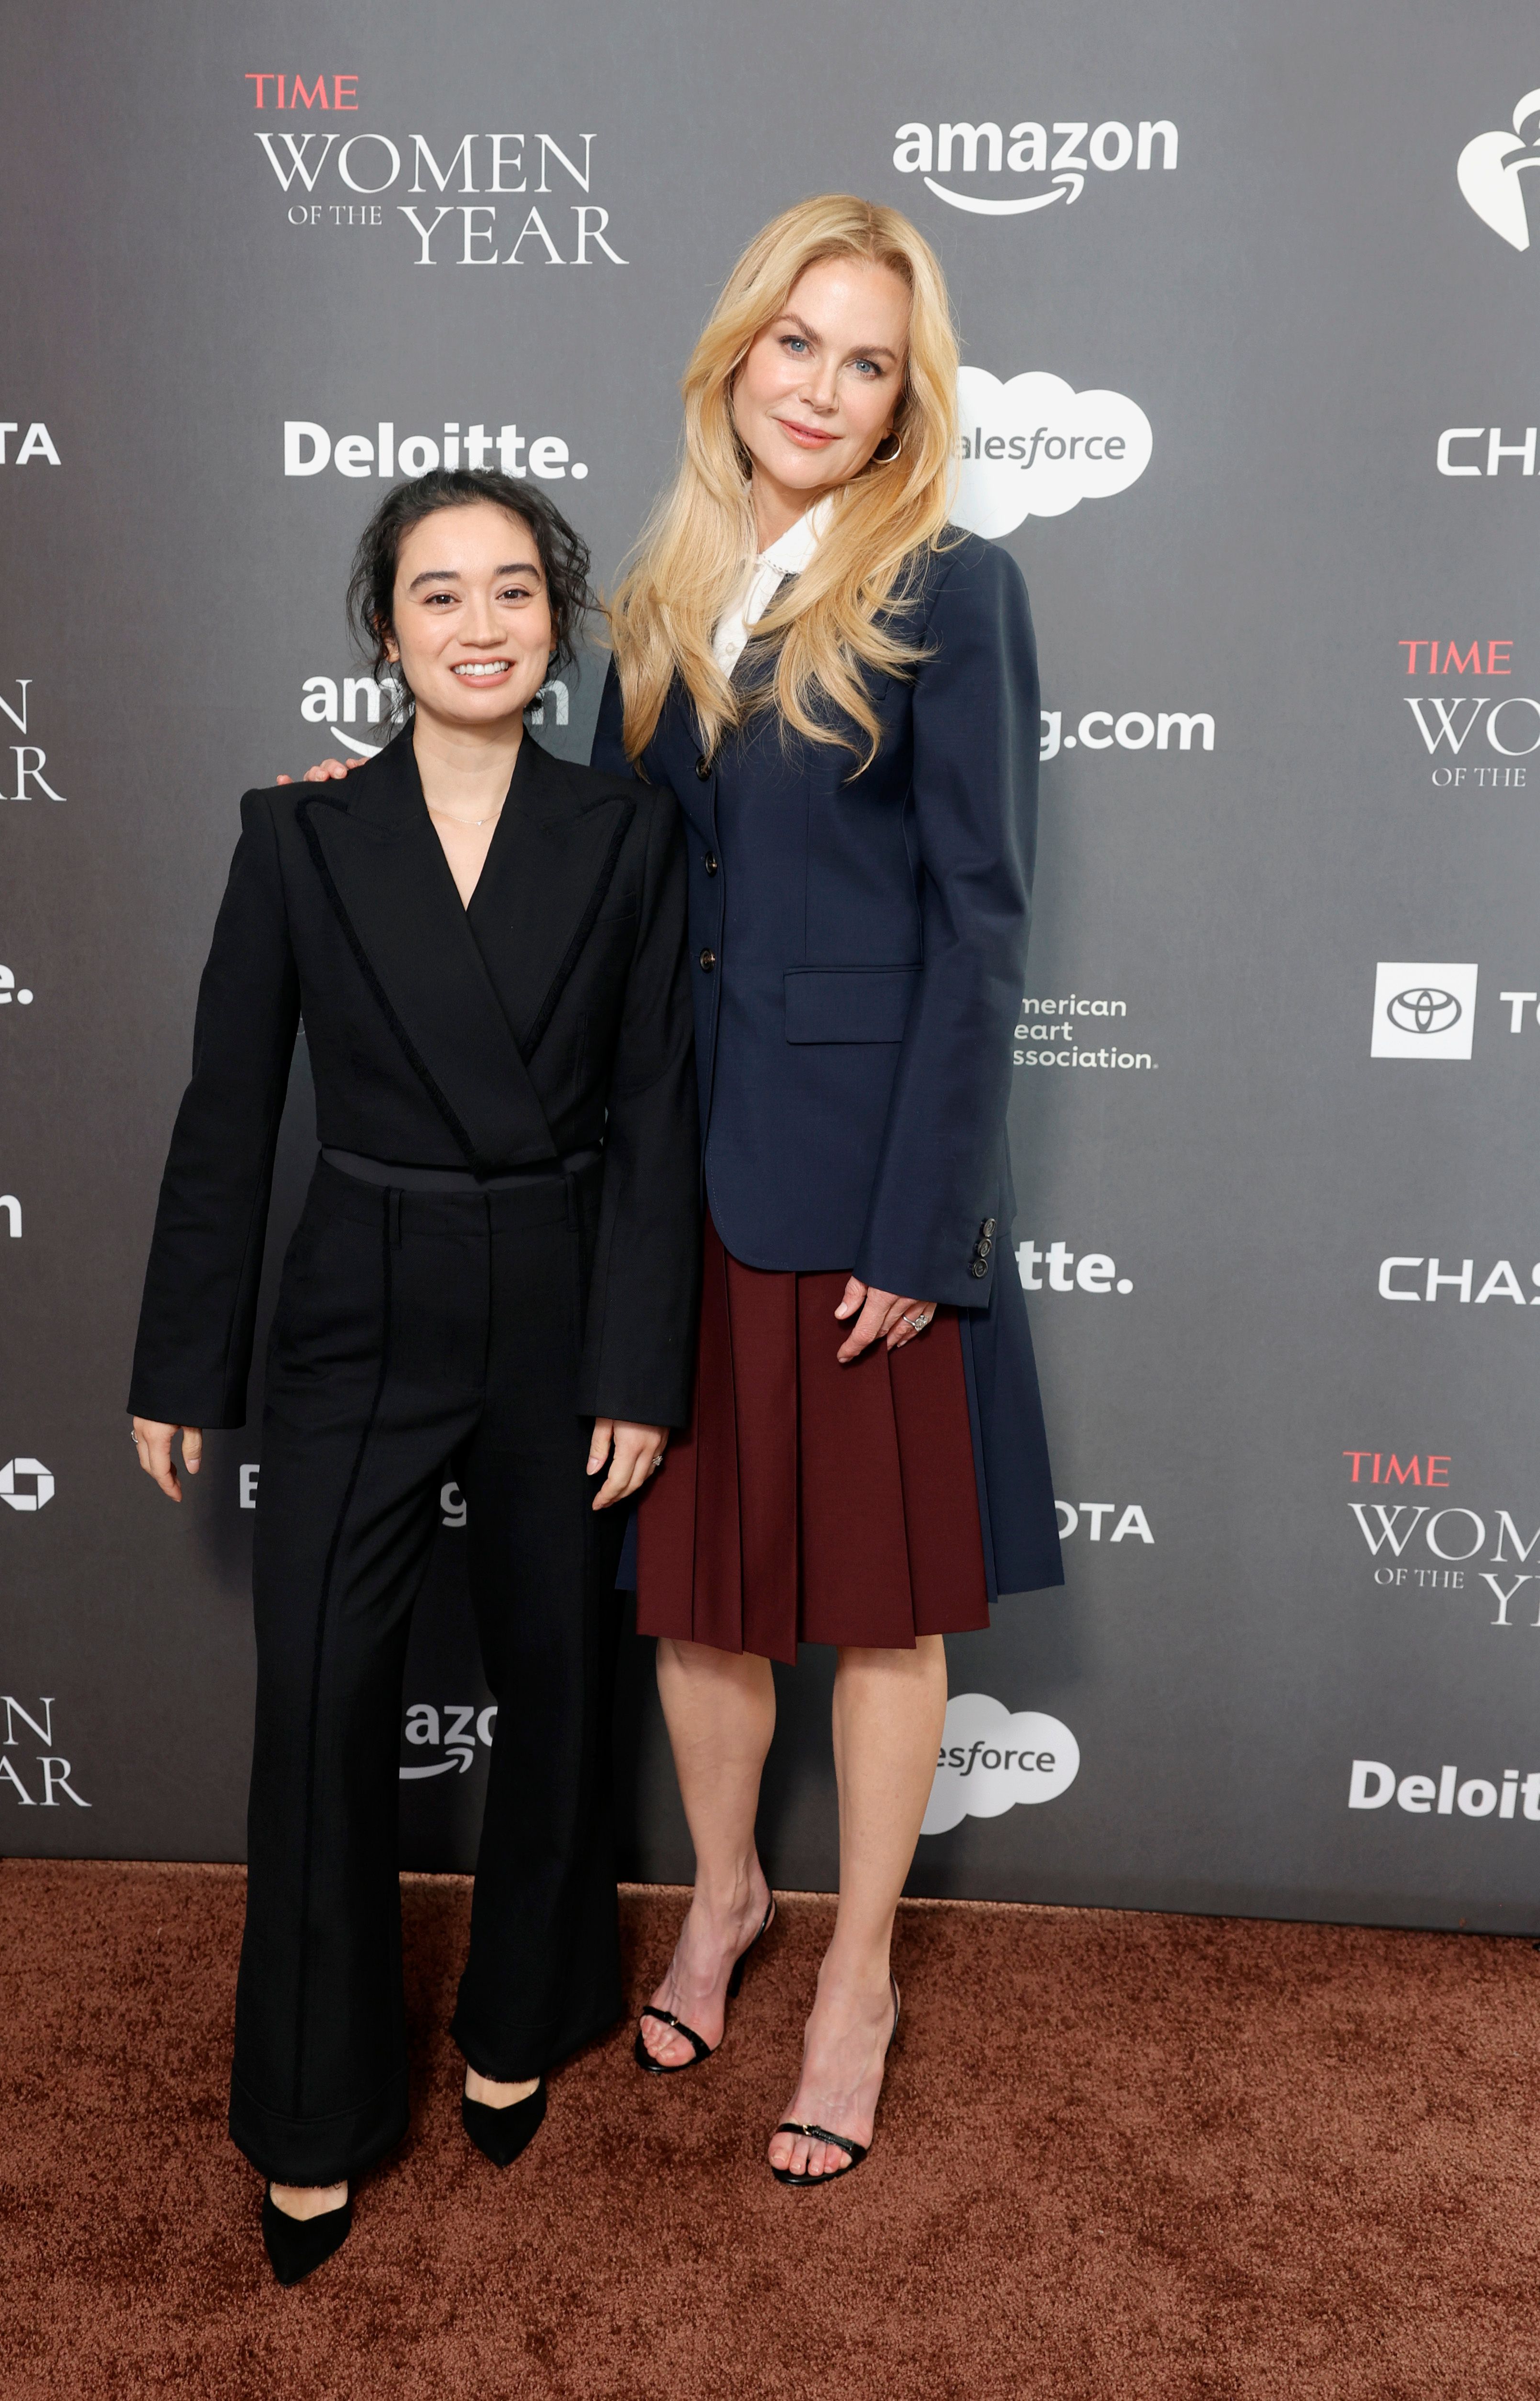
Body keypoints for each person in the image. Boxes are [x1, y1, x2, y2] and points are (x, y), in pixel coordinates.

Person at [128, 469, 699, 2284]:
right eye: (437, 594)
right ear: (384, 630)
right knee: (317, 1700)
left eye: (514, 592)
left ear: (558, 622)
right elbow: (230, 1112)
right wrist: (181, 1362)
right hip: (354, 1298)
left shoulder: (625, 833)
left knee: (555, 1675)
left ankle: (524, 2011)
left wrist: (636, 1358)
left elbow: (662, 1116)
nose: (479, 624)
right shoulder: (296, 836)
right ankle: (309, 2114)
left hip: (553, 1287)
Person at [595, 193, 1062, 2186]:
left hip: (864, 1188)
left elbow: (982, 921)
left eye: (868, 361)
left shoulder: (956, 588)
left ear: (904, 406)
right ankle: (726, 1894)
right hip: (679, 1182)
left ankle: (858, 1972)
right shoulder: (669, 588)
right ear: (738, 354)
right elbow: (604, 874)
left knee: (876, 1618)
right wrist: (392, 797)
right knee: (698, 1598)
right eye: (799, 342)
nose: (823, 384)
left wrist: (922, 1227)